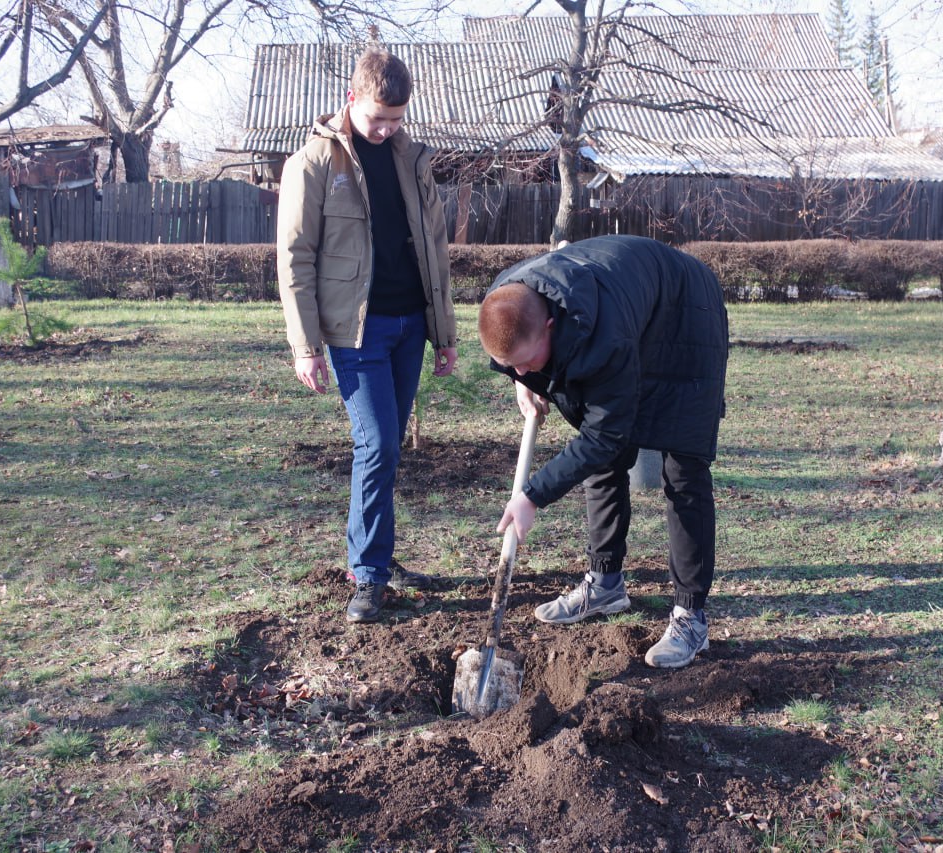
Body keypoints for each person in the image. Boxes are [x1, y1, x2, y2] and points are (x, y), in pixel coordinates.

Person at [477, 235, 728, 668]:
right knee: (604, 465)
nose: (519, 369)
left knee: (683, 470)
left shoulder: (604, 336)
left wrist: (532, 495)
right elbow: (523, 352)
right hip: (631, 304)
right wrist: (524, 378)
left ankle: (691, 617)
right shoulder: (508, 297)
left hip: (688, 318)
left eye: (526, 360)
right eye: (509, 364)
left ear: (550, 327)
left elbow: (603, 435)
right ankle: (606, 583)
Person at [277, 47, 458, 624]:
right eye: (378, 118)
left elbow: (435, 249)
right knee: (376, 444)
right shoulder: (313, 163)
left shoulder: (412, 159)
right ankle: (369, 574)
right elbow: (295, 258)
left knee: (388, 447)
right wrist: (306, 346)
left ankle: (376, 555)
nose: (386, 130)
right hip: (356, 333)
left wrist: (444, 333)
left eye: (396, 120)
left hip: (410, 327)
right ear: (351, 98)